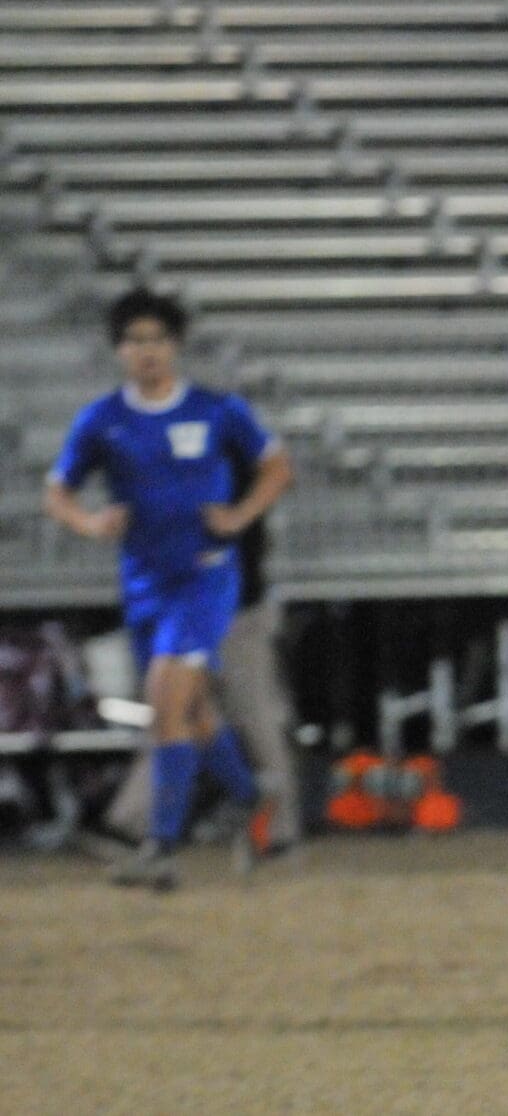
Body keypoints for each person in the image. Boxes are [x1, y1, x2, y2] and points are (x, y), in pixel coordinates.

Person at [43, 287, 293, 889]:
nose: (147, 351)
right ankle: (249, 797)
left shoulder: (216, 409)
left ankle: (160, 847)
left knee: (164, 703)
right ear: (119, 350)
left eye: (157, 339)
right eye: (135, 341)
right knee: (194, 712)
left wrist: (239, 515)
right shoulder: (102, 420)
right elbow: (57, 491)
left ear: (176, 346)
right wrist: (89, 523)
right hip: (144, 585)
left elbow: (278, 465)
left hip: (205, 577)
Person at [103, 422, 304, 857]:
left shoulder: (228, 466)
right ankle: (133, 822)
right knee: (178, 710)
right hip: (196, 612)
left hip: (237, 614)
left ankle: (279, 828)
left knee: (254, 719)